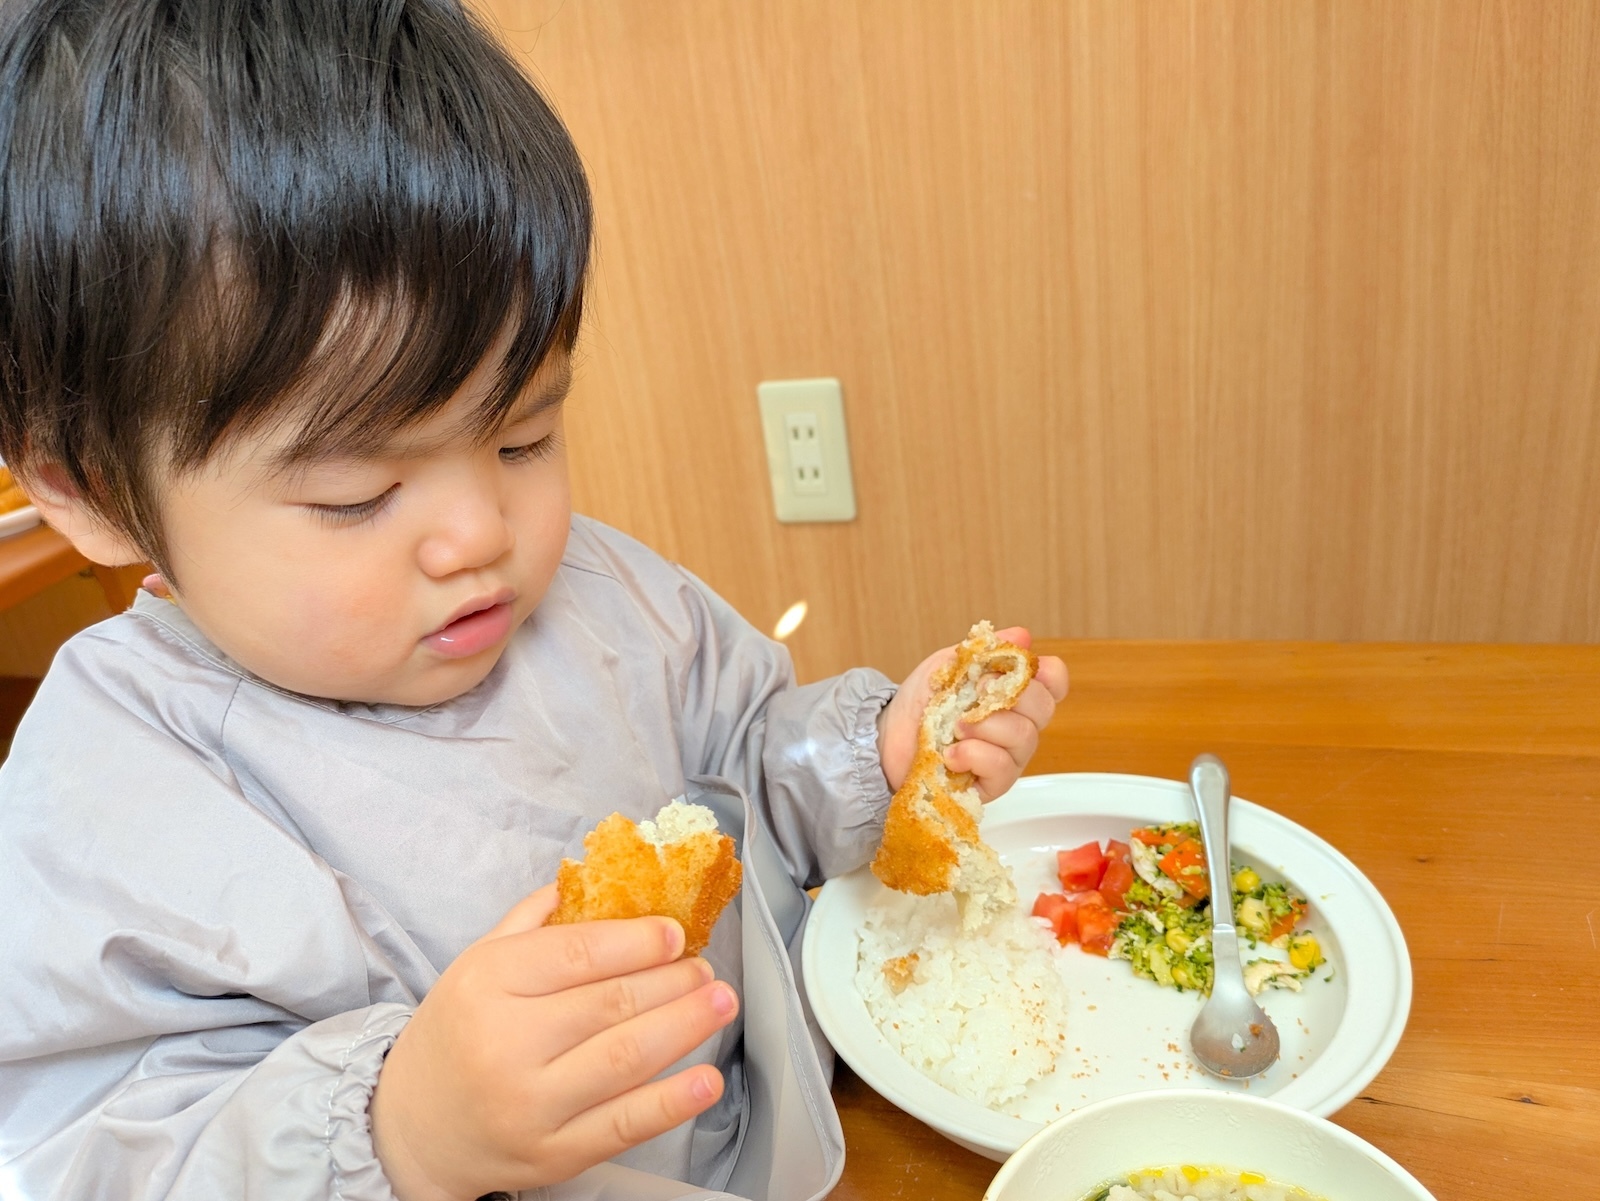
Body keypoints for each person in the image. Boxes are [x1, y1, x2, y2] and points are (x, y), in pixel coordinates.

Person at [0, 2, 1068, 1199]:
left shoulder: (602, 598)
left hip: (772, 1135)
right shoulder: (106, 801)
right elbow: (93, 1157)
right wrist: (396, 1131)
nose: (482, 533)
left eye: (523, 437)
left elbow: (743, 780)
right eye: (357, 493)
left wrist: (870, 759)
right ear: (92, 492)